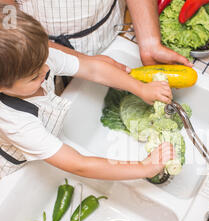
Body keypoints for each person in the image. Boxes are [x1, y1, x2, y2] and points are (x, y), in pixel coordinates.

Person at [0, 6, 175, 180]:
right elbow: (78, 165)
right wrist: (144, 168)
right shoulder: (16, 123)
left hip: (39, 147)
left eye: (45, 60)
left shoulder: (36, 60)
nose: (46, 69)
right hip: (15, 168)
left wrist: (141, 88)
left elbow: (92, 69)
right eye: (34, 77)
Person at [1, 0, 193, 69]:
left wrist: (150, 41)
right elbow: (7, 23)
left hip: (111, 30)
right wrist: (83, 63)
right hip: (39, 54)